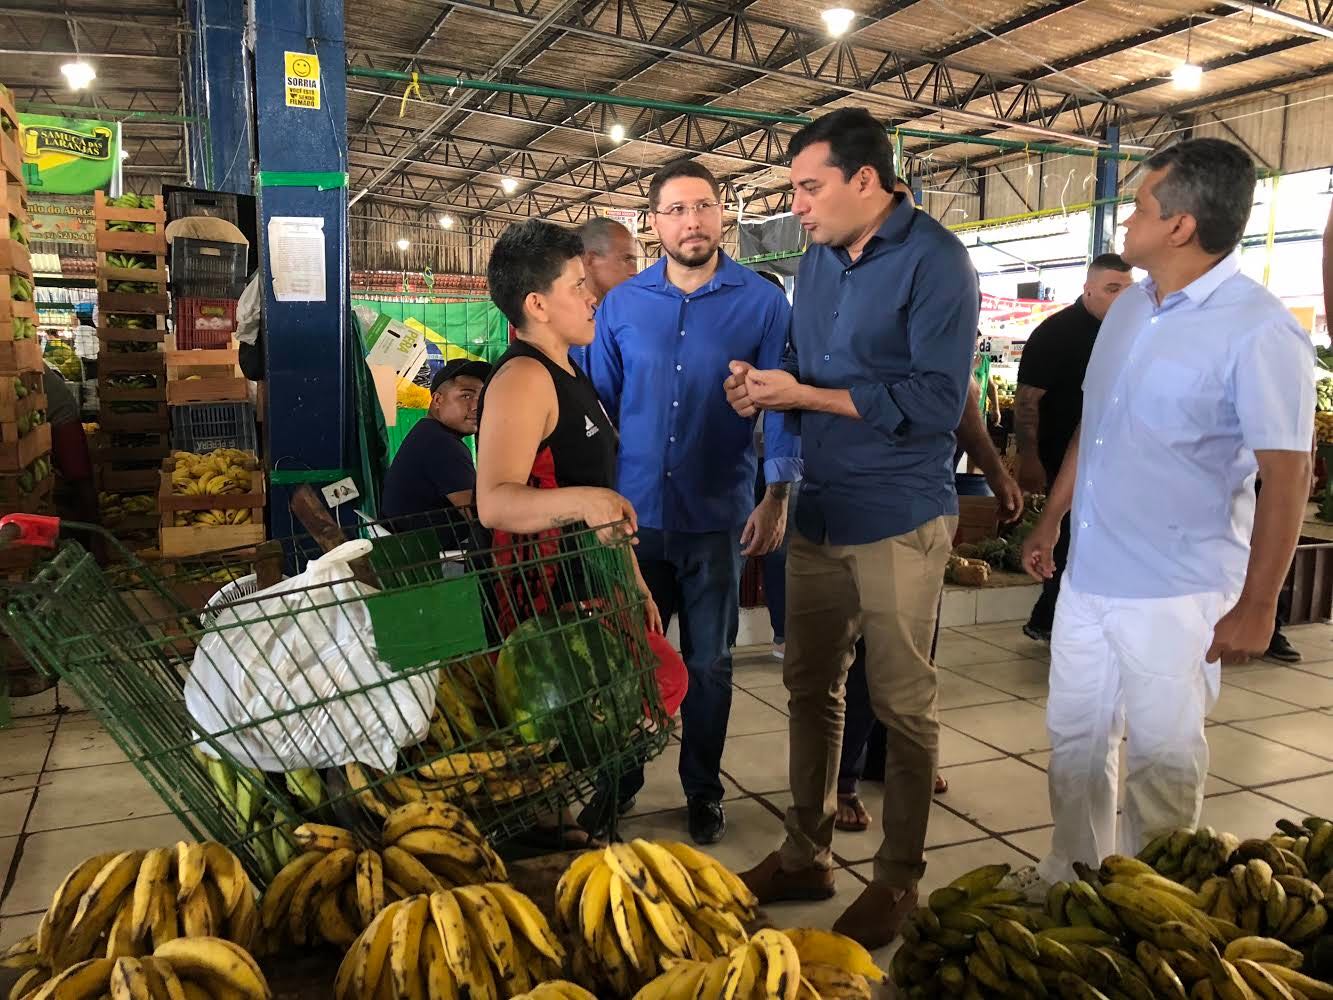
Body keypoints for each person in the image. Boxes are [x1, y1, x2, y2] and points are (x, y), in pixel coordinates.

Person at [1017, 138, 1314, 891]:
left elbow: (1287, 473)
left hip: (1177, 591)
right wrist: (1052, 518)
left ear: (1179, 226)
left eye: (1141, 205)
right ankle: (1071, 876)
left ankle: (1151, 900)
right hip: (1090, 577)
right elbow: (1097, 423)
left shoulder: (1257, 329)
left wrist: (1256, 606)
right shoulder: (1130, 310)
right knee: (1076, 737)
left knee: (1160, 756)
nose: (1127, 217)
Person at [724, 107, 978, 948]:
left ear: (864, 180)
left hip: (898, 512)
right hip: (822, 507)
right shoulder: (818, 263)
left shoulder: (935, 261)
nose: (794, 205)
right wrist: (769, 386)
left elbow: (935, 404)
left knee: (900, 703)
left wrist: (800, 395)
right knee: (809, 686)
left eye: (808, 187)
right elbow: (808, 369)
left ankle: (899, 879)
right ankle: (806, 851)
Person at [589, 159, 800, 845]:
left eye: (703, 207)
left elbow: (782, 409)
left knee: (709, 665)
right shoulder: (622, 306)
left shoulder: (763, 303)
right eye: (676, 210)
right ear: (654, 224)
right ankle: (615, 783)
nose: (692, 222)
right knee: (627, 661)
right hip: (633, 522)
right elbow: (598, 413)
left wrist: (775, 497)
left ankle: (701, 791)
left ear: (722, 215)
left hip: (718, 519)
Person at [473, 219, 687, 846]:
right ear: (536, 304)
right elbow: (495, 502)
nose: (592, 292)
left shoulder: (568, 371)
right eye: (576, 283)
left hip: (589, 588)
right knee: (565, 738)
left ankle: (569, 833)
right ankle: (551, 844)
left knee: (620, 712)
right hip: (544, 600)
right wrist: (590, 500)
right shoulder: (523, 379)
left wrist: (634, 579)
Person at [835, 374, 1023, 831]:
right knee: (867, 651)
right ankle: (844, 775)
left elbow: (962, 400)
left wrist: (995, 471)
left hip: (923, 502)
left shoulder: (944, 319)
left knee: (915, 651)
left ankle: (890, 756)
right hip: (860, 498)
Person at [1015, 253, 1134, 642]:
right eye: (1112, 289)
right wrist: (1029, 458)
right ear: (1089, 290)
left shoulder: (1130, 331)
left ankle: (1065, 618)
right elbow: (1027, 400)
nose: (1121, 298)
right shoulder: (1056, 333)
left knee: (1087, 537)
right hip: (1059, 452)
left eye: (1127, 290)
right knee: (1065, 535)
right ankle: (1046, 618)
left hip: (1111, 457)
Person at [379, 358, 491, 543]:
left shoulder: (427, 432)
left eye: (482, 398)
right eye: (466, 396)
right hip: (430, 559)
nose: (476, 407)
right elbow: (481, 518)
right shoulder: (442, 444)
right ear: (438, 400)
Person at [569, 218, 640, 370]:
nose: (634, 270)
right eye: (627, 259)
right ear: (592, 260)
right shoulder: (569, 322)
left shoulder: (613, 317)